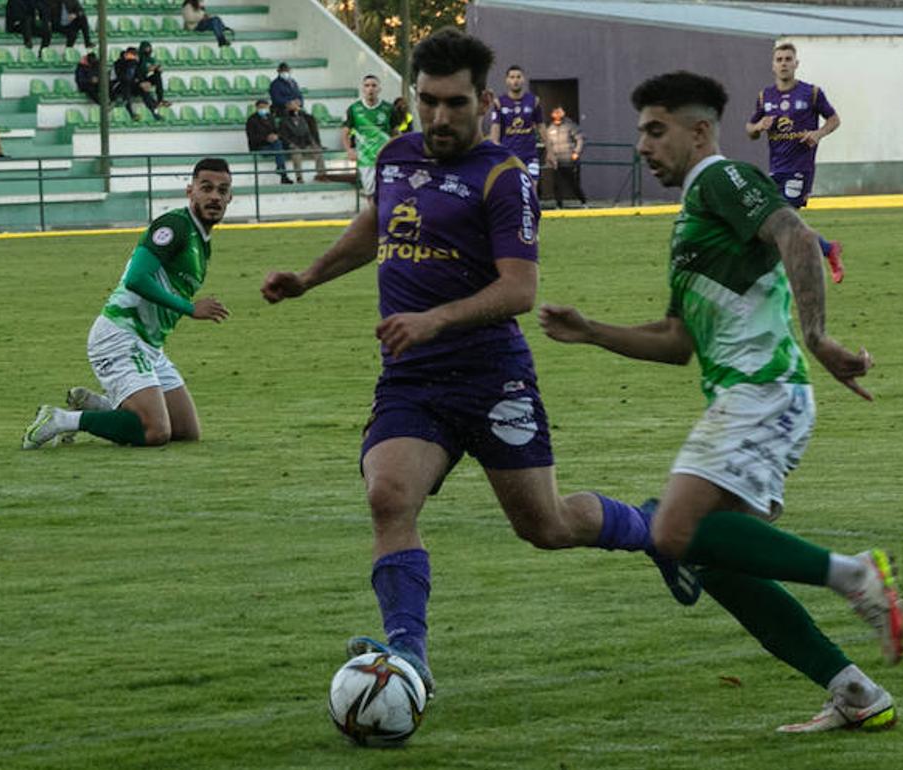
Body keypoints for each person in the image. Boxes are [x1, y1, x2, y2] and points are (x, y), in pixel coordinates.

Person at [260, 29, 702, 700]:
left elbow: (518, 289)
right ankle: (408, 656)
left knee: (545, 526)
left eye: (455, 104)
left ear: (484, 101)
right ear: (415, 96)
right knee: (388, 497)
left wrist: (434, 319)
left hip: (493, 377)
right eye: (429, 102)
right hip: (412, 378)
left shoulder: (503, 178)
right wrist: (308, 276)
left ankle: (654, 531)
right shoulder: (398, 155)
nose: (440, 118)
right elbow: (377, 224)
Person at [538, 71, 903, 733]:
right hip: (750, 397)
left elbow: (795, 235)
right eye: (642, 131)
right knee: (708, 553)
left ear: (699, 130)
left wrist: (818, 336)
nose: (645, 145)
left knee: (670, 532)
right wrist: (591, 331)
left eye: (656, 130)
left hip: (761, 393)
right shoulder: (692, 220)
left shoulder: (718, 178)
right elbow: (675, 340)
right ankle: (853, 690)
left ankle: (855, 576)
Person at [22, 158, 234, 450]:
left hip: (149, 346)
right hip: (120, 338)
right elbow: (136, 279)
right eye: (206, 188)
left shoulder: (201, 237)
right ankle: (61, 419)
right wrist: (190, 309)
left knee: (186, 431)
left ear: (230, 197)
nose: (215, 196)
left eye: (222, 191)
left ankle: (101, 406)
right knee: (155, 432)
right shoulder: (174, 226)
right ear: (190, 191)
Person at [745, 42, 845, 284]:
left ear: (796, 64)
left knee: (783, 220)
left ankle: (778, 274)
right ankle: (827, 249)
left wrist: (817, 134)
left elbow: (834, 119)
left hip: (799, 169)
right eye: (779, 60)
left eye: (788, 59)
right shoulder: (765, 96)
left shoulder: (811, 93)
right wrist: (759, 126)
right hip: (775, 170)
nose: (783, 64)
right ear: (773, 66)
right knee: (782, 223)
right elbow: (749, 129)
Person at [488, 64, 549, 181]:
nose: (515, 80)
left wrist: (550, 151)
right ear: (507, 80)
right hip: (508, 156)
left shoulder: (534, 101)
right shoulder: (499, 103)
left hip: (529, 156)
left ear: (523, 79)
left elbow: (541, 127)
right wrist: (493, 153)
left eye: (518, 77)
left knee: (532, 187)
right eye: (512, 77)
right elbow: (495, 130)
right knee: (512, 189)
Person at [341, 74, 393, 201]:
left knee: (387, 192)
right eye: (367, 86)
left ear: (379, 89)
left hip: (385, 157)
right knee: (370, 195)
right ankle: (373, 218)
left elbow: (395, 132)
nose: (370, 89)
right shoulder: (354, 109)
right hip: (366, 158)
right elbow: (345, 133)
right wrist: (349, 150)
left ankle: (382, 219)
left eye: (374, 85)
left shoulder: (388, 108)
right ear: (363, 89)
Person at [544, 106, 587, 208]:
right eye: (555, 112)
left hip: (568, 160)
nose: (557, 114)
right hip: (556, 161)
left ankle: (584, 202)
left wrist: (576, 152)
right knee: (556, 184)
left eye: (559, 112)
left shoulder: (570, 126)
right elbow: (548, 144)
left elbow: (580, 139)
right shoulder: (550, 129)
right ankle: (559, 205)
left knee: (572, 183)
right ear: (552, 114)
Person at [278, 98, 326, 183]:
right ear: (288, 107)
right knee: (296, 155)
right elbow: (283, 136)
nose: (296, 107)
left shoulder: (303, 118)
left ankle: (322, 175)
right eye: (293, 105)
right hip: (293, 145)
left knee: (318, 151)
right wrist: (290, 144)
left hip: (304, 144)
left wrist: (313, 143)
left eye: (297, 105)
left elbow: (308, 133)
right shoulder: (283, 120)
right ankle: (299, 177)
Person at [245, 98, 290, 184]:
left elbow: (278, 131)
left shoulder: (270, 117)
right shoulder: (252, 120)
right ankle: (282, 172)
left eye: (265, 107)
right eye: (261, 107)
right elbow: (252, 137)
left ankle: (282, 171)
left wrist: (276, 136)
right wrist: (266, 138)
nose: (263, 109)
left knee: (278, 143)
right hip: (259, 147)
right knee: (278, 146)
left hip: (273, 146)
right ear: (257, 108)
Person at [113, 46, 161, 120]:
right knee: (126, 87)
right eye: (132, 54)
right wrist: (129, 64)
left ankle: (154, 112)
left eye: (135, 54)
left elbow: (139, 75)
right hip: (119, 86)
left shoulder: (135, 63)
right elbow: (123, 78)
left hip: (132, 85)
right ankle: (131, 113)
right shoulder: (118, 63)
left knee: (144, 90)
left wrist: (142, 83)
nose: (134, 56)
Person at [137, 40, 168, 108]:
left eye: (149, 47)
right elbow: (137, 70)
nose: (148, 49)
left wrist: (158, 69)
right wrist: (148, 69)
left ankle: (160, 99)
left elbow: (153, 69)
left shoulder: (151, 59)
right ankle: (153, 104)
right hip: (138, 80)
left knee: (157, 76)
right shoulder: (138, 58)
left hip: (146, 78)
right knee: (144, 88)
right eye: (146, 47)